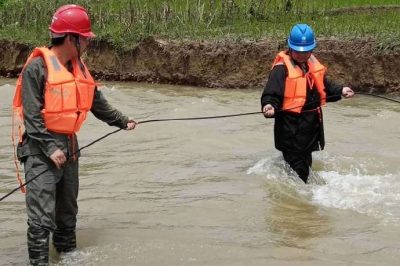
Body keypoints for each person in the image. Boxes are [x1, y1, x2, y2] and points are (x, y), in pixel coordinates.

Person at [12, 4, 136, 265]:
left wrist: (123, 122)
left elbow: (96, 102)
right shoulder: (37, 68)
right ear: (71, 38)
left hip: (70, 146)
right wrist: (50, 148)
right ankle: (39, 262)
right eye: (85, 39)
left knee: (67, 215)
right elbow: (32, 116)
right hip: (39, 149)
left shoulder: (79, 68)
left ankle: (68, 259)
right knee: (41, 218)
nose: (88, 44)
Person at [260, 23, 354, 183]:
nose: (303, 55)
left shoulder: (311, 66)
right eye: (299, 52)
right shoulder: (281, 69)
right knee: (299, 174)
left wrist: (341, 91)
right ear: (290, 48)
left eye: (306, 51)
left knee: (302, 168)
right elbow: (271, 93)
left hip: (309, 130)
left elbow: (324, 88)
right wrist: (268, 106)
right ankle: (300, 202)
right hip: (291, 132)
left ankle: (301, 195)